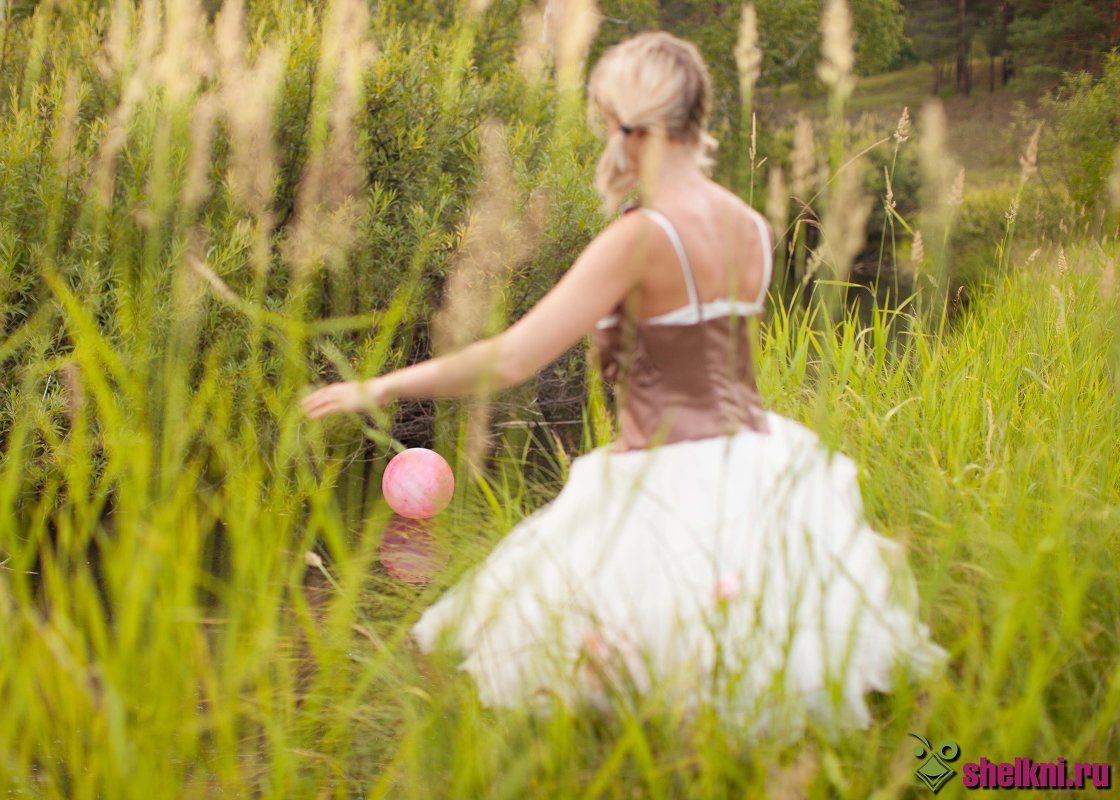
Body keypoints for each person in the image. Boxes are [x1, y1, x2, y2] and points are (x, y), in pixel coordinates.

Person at [301, 31, 946, 740]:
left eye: (605, 117)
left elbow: (512, 358)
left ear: (626, 124)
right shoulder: (752, 229)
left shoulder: (640, 238)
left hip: (662, 482)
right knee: (741, 681)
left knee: (461, 649)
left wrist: (384, 386)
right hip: (762, 468)